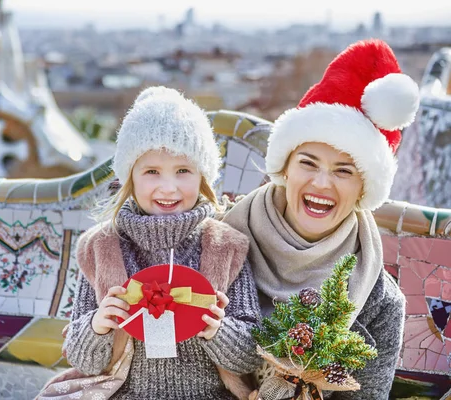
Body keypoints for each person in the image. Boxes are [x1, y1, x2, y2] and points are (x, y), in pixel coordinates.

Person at [223, 39, 419, 399]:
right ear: (284, 166)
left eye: (343, 171)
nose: (321, 183)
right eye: (308, 163)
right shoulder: (218, 244)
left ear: (364, 188)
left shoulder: (379, 301)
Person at [53, 86, 261, 400]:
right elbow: (85, 362)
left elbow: (252, 354)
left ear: (203, 176)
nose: (168, 187)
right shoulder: (101, 248)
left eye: (183, 171)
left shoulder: (226, 248)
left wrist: (219, 330)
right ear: (130, 177)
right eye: (152, 171)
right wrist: (98, 325)